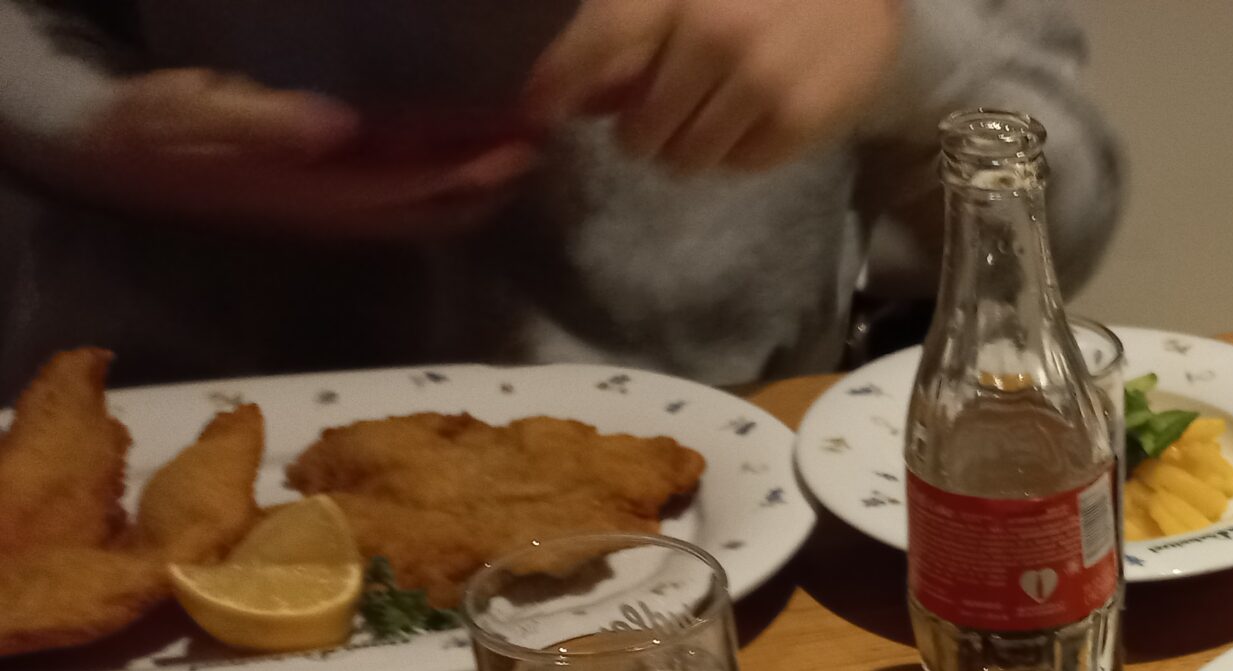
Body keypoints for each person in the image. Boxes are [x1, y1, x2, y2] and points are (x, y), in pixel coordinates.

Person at [0, 0, 1120, 389]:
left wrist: (907, 58)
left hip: (709, 510)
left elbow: (1066, 215)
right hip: (158, 457)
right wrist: (90, 131)